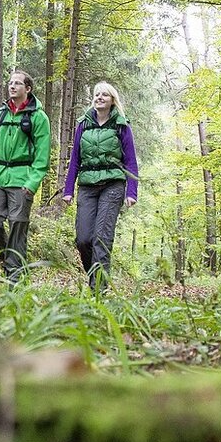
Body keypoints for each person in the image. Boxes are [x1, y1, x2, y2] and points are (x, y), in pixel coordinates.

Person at [0, 69, 51, 281]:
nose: (12, 86)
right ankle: (9, 258)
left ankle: (14, 278)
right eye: (10, 83)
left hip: (22, 179)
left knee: (17, 223)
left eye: (17, 83)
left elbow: (42, 155)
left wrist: (33, 182)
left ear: (28, 89)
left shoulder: (38, 118)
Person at [62, 81, 139, 293]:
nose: (99, 98)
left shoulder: (121, 125)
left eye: (104, 95)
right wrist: (68, 189)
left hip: (112, 186)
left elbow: (131, 161)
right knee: (84, 239)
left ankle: (99, 291)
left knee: (101, 239)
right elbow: (75, 159)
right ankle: (94, 276)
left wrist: (131, 192)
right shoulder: (83, 124)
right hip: (87, 186)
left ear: (112, 100)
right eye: (97, 94)